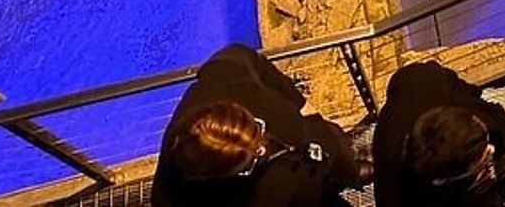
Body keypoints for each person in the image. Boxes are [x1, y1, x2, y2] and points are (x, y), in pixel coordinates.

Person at [151, 44, 369, 207]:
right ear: (210, 176)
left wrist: (303, 105)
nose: (262, 148)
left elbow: (244, 55)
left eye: (257, 127)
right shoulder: (176, 199)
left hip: (325, 154)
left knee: (343, 165)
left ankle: (350, 173)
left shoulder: (225, 77)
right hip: (304, 199)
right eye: (248, 164)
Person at [372, 61, 505, 207]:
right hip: (446, 196)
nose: (491, 150)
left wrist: (482, 169)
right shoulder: (397, 194)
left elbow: (470, 92)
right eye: (483, 155)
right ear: (446, 178)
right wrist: (474, 192)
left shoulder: (420, 78)